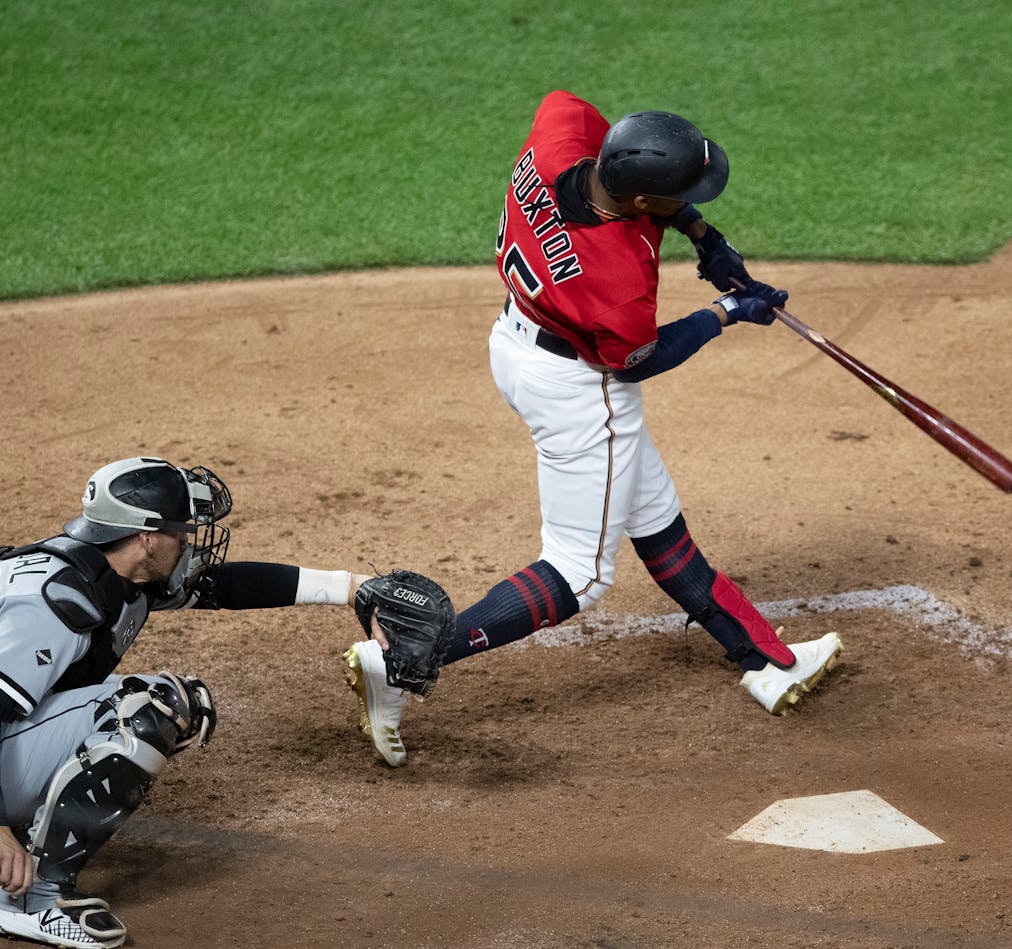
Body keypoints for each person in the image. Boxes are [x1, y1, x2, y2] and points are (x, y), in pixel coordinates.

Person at [344, 91, 843, 769]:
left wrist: (703, 236)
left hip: (516, 343)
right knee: (579, 573)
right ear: (641, 203)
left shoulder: (560, 134)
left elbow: (608, 145)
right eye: (681, 197)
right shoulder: (614, 277)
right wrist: (727, 310)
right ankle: (405, 653)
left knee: (651, 512)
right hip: (580, 389)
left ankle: (764, 657)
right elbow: (638, 358)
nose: (691, 200)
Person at [0, 458, 371, 949]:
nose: (191, 542)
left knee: (172, 705)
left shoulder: (112, 570)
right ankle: (26, 897)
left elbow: (230, 585)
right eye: (181, 531)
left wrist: (352, 588)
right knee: (151, 706)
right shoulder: (55, 603)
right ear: (147, 537)